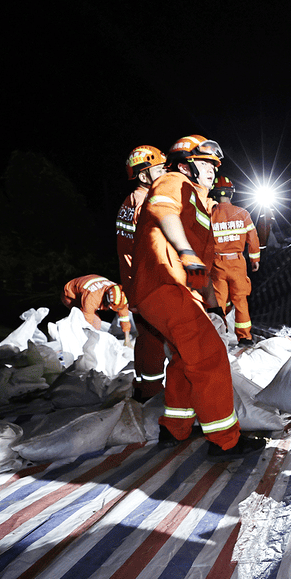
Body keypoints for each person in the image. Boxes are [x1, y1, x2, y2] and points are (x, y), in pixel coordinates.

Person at [130, 135, 264, 456]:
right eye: (204, 163)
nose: (212, 171)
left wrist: (215, 307)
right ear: (185, 164)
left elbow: (203, 266)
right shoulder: (173, 181)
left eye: (214, 165)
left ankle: (174, 429)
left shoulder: (203, 205)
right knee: (209, 355)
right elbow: (164, 211)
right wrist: (185, 252)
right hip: (165, 282)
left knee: (183, 359)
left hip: (176, 288)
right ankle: (224, 441)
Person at [117, 145, 168, 400]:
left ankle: (142, 385)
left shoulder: (130, 201)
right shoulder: (145, 202)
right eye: (158, 168)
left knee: (147, 336)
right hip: (146, 281)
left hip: (133, 279)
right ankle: (150, 392)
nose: (163, 173)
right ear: (143, 175)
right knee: (153, 338)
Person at [208, 175, 261, 347]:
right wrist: (255, 259)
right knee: (240, 300)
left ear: (214, 195)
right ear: (231, 194)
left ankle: (217, 337)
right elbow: (253, 238)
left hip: (217, 265)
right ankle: (245, 337)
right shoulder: (243, 213)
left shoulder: (210, 215)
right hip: (238, 263)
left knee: (218, 302)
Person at [60, 275, 133, 346]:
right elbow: (87, 321)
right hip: (71, 295)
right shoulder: (92, 298)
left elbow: (124, 318)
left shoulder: (120, 296)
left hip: (87, 287)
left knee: (96, 325)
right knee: (95, 323)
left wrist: (127, 340)